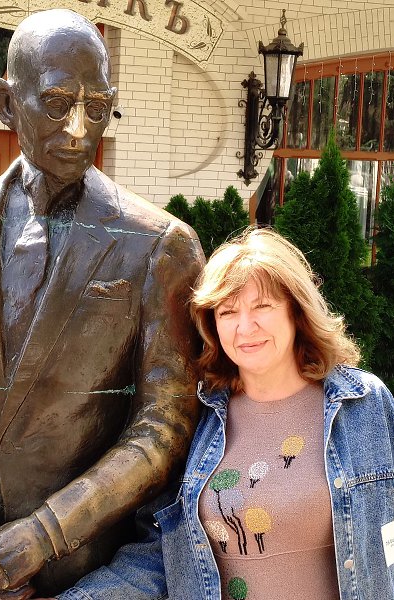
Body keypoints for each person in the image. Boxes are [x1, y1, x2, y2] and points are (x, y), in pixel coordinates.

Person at [0, 9, 204, 600]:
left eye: (99, 107)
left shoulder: (160, 246)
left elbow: (165, 425)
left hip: (87, 576)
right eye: (58, 103)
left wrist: (47, 532)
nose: (80, 130)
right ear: (6, 103)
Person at [50, 227, 394, 600]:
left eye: (262, 306)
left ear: (296, 310)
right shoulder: (198, 418)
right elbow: (162, 554)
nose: (245, 327)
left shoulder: (362, 403)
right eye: (228, 312)